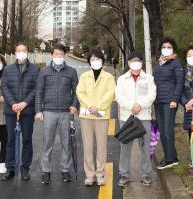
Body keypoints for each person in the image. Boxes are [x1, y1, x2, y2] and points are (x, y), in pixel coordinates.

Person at [35, 44, 78, 184]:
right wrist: (38, 110)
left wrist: (74, 105)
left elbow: (76, 92)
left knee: (67, 143)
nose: (58, 57)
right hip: (49, 112)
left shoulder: (71, 71)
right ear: (51, 55)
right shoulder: (44, 71)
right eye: (56, 54)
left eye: (61, 54)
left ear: (64, 55)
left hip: (66, 112)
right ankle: (46, 171)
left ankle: (65, 170)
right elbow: (39, 92)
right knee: (48, 143)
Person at [115, 52, 157, 187]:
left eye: (138, 60)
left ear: (142, 62)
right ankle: (124, 175)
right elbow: (119, 96)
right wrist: (131, 106)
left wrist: (140, 105)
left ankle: (145, 174)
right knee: (125, 148)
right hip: (127, 118)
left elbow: (152, 95)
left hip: (144, 117)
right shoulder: (122, 79)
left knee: (145, 148)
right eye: (133, 60)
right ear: (128, 63)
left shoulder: (149, 78)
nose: (135, 62)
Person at [76, 49, 116, 186]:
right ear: (89, 62)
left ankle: (100, 173)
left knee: (101, 145)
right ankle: (89, 174)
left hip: (101, 115)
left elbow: (110, 94)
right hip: (86, 115)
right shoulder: (84, 76)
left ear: (102, 61)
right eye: (93, 59)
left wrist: (97, 107)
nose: (95, 61)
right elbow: (80, 92)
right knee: (87, 146)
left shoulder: (109, 77)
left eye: (98, 59)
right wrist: (89, 106)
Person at [1, 42, 40, 181]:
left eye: (24, 50)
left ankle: (25, 169)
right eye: (19, 50)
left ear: (27, 52)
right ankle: (10, 168)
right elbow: (4, 87)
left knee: (27, 140)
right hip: (11, 111)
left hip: (28, 110)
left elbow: (37, 88)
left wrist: (24, 103)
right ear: (15, 53)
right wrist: (13, 103)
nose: (21, 53)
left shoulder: (35, 69)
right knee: (10, 140)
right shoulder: (8, 69)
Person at [153, 37, 185, 169]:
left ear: (173, 49)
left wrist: (174, 100)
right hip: (158, 101)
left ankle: (169, 159)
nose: (166, 49)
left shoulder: (176, 63)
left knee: (167, 130)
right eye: (164, 47)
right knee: (161, 130)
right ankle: (172, 156)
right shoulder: (159, 63)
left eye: (169, 47)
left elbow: (180, 83)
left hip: (169, 102)